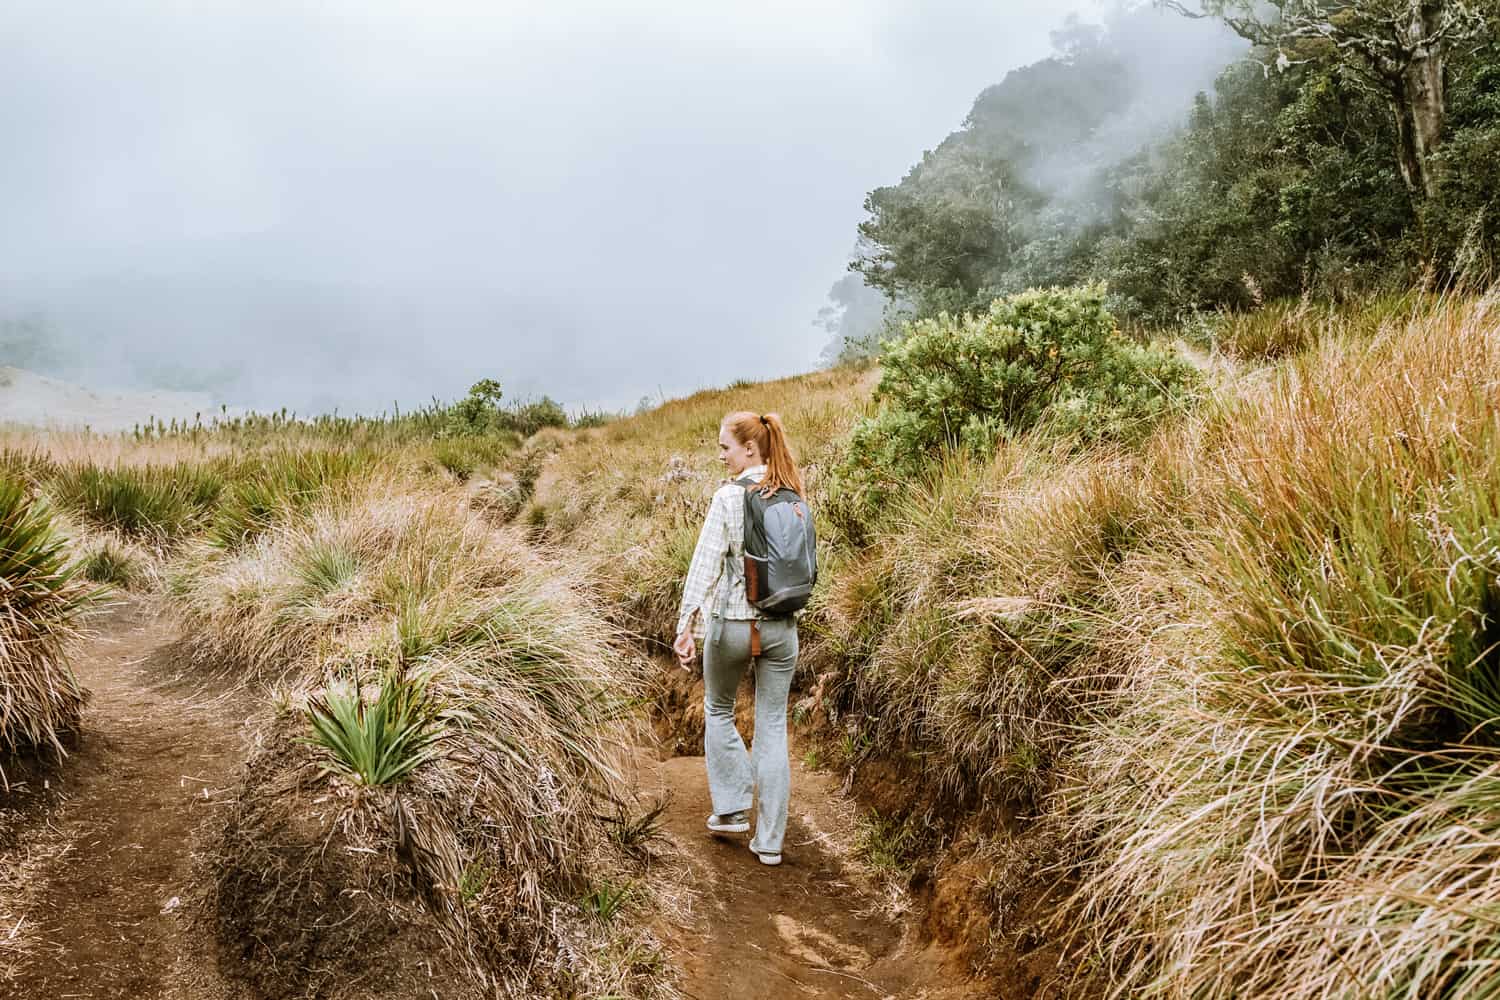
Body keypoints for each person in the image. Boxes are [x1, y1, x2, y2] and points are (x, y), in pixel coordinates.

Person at [672, 410, 804, 867]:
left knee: (719, 708)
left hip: (733, 623)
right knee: (772, 727)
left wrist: (685, 625)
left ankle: (730, 811)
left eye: (725, 446)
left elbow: (705, 567)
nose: (721, 455)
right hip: (783, 628)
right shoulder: (793, 492)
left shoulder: (728, 498)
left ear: (750, 447)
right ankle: (769, 842)